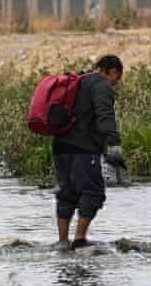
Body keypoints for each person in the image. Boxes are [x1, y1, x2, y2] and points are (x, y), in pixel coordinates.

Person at [53, 55, 124, 250]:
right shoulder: (102, 85)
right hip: (83, 148)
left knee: (66, 193)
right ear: (112, 72)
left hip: (60, 146)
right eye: (117, 79)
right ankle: (79, 239)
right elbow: (105, 114)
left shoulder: (78, 81)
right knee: (93, 192)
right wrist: (114, 142)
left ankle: (62, 242)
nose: (115, 83)